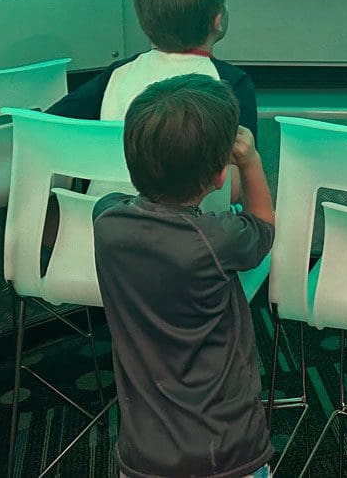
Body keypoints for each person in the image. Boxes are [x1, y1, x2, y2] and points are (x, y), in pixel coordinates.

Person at [94, 73, 275, 478]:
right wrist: (252, 161)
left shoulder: (106, 221)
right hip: (227, 450)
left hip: (143, 453)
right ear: (219, 174)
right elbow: (263, 228)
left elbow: (114, 199)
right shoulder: (218, 238)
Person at [47, 0, 256, 137]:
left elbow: (48, 123)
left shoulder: (118, 73)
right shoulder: (233, 84)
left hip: (108, 184)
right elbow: (239, 170)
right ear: (217, 21)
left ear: (144, 21)